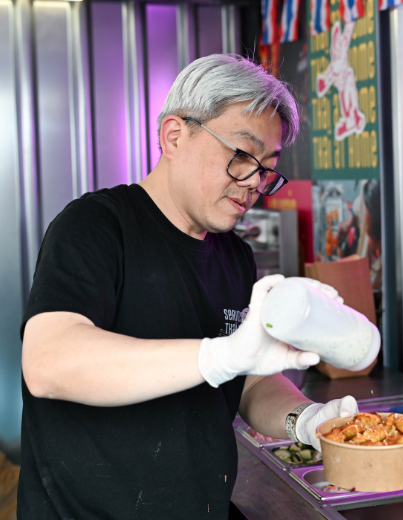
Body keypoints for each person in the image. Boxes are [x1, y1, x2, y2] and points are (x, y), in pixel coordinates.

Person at [18, 54, 358, 519]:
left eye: (266, 168)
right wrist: (214, 356)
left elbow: (252, 380)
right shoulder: (96, 226)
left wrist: (305, 420)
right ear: (174, 135)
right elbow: (49, 362)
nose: (253, 183)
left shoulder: (234, 255)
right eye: (241, 156)